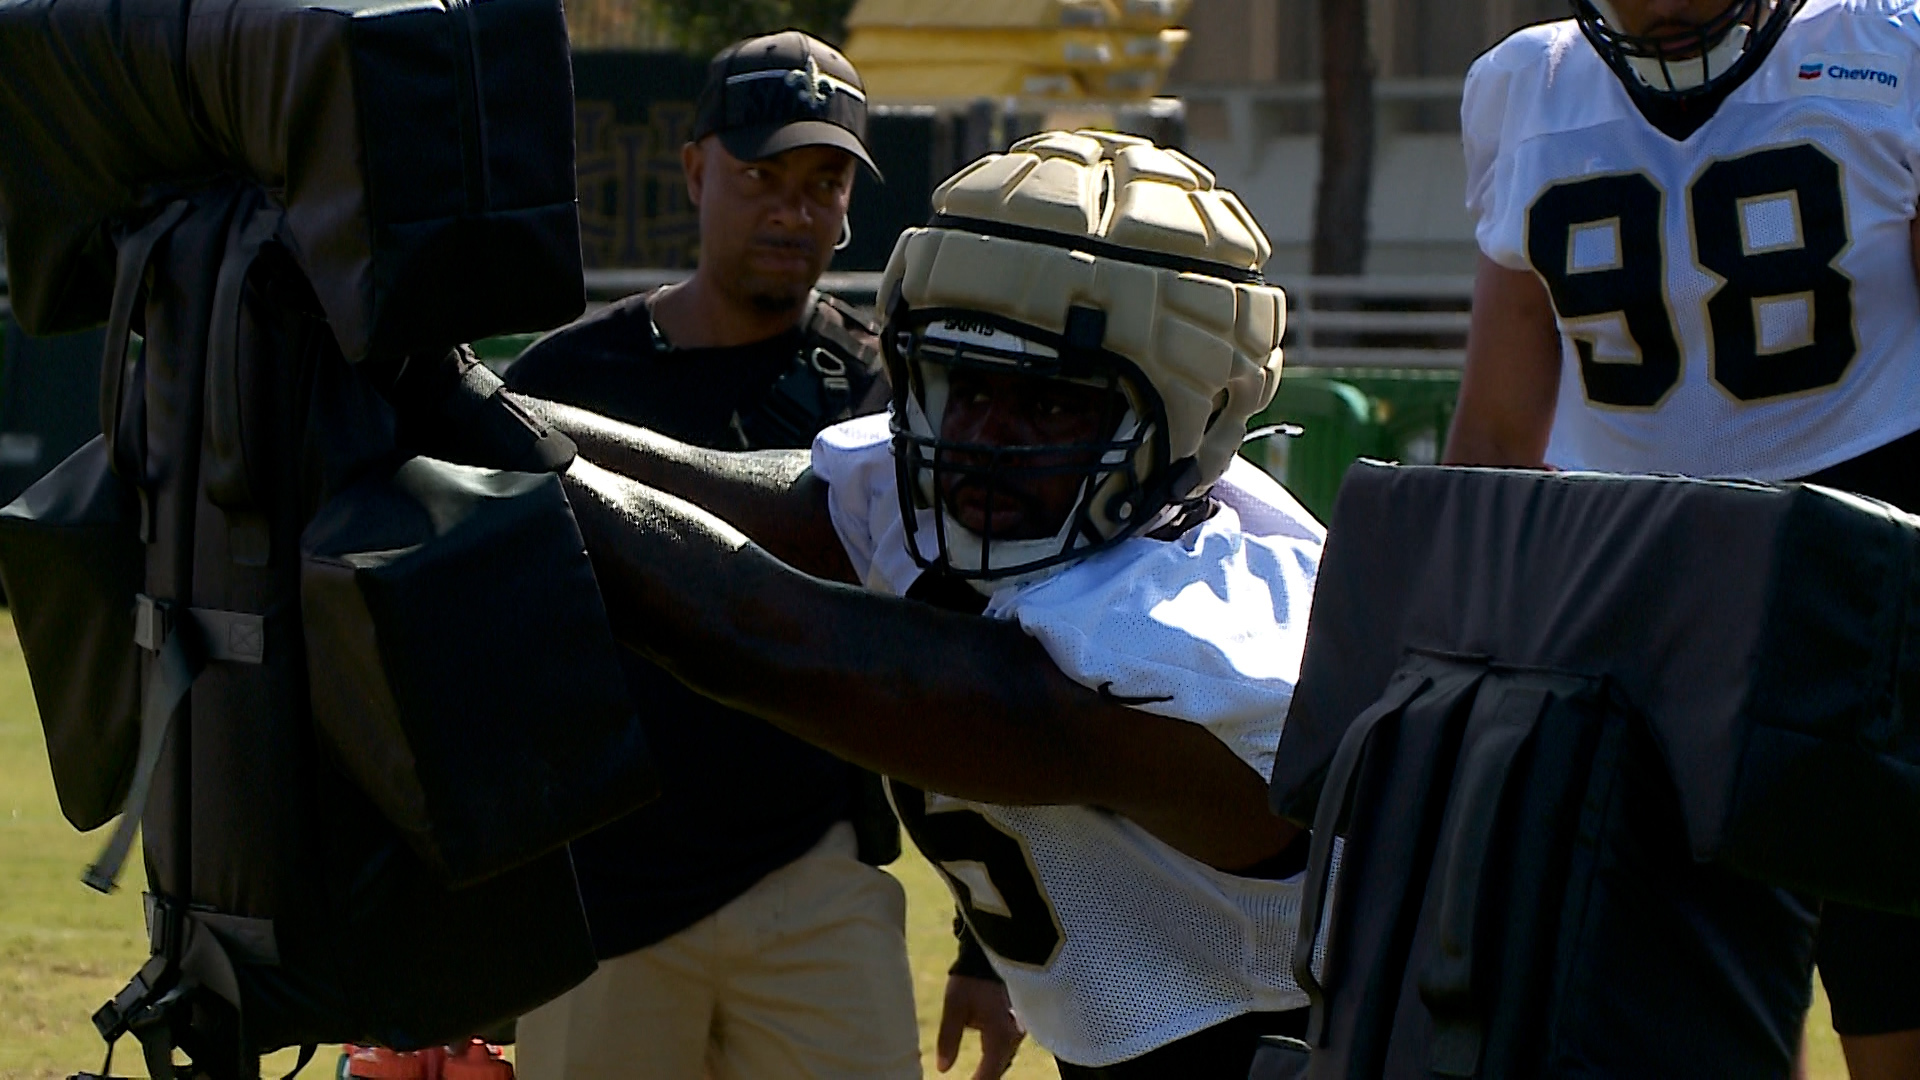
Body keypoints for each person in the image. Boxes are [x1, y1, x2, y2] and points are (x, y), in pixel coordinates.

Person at [503, 130, 1322, 1077]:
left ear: (1194, 417)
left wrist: (447, 429)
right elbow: (714, 490)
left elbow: (748, 629)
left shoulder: (1196, 643)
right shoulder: (1062, 509)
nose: (983, 440)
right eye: (964, 385)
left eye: (1051, 404)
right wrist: (439, 401)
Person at [1444, 2, 1920, 1077]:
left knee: (1895, 1001)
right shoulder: (1524, 82)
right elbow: (1498, 432)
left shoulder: (1891, 48)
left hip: (1869, 567)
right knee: (1689, 1015)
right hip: (1639, 588)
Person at [504, 30, 921, 1080]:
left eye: (823, 183)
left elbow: (958, 650)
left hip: (814, 877)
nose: (793, 210)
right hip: (601, 893)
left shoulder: (879, 400)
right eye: (760, 176)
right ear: (696, 171)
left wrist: (982, 954)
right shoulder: (567, 382)